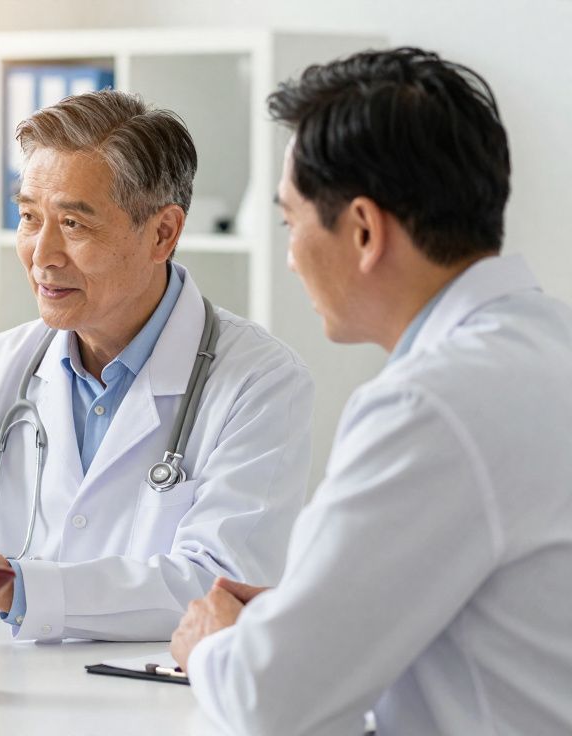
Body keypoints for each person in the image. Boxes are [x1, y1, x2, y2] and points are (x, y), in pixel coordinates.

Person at [0, 89, 315, 642]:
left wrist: (11, 586)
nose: (41, 254)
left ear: (163, 233)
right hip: (8, 702)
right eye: (28, 217)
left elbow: (219, 586)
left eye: (73, 224)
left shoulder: (260, 381)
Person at [170, 48, 572, 734]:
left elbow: (273, 699)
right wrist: (313, 611)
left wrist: (213, 641)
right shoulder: (545, 345)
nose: (292, 254)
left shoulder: (433, 405)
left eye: (289, 221)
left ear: (362, 229)